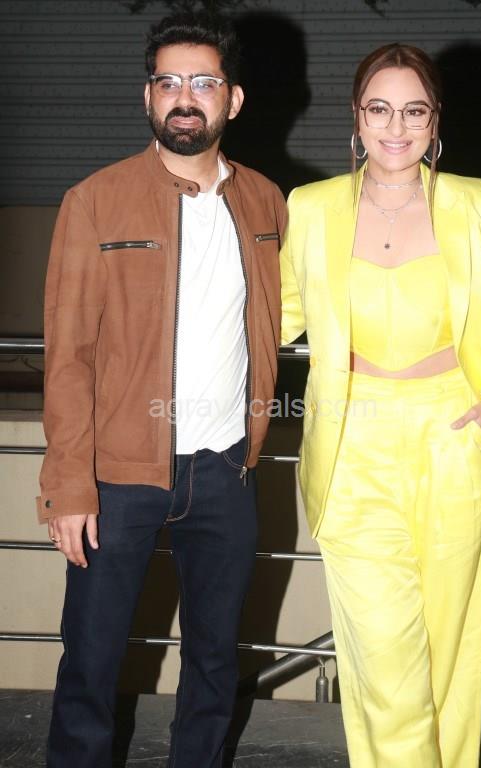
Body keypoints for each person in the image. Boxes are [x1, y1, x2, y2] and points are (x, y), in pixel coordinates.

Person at [280, 43, 481, 768]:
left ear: (434, 122)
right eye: (379, 109)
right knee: (387, 662)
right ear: (355, 117)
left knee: (449, 650)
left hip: (455, 433)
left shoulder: (480, 204)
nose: (395, 127)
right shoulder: (311, 208)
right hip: (352, 443)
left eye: (413, 111)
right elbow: (277, 317)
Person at [37, 11, 286, 768]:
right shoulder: (95, 200)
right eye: (168, 81)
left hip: (226, 468)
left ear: (232, 99)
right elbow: (68, 356)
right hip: (118, 474)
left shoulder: (267, 204)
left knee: (214, 663)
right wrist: (68, 485)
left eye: (203, 81)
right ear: (147, 96)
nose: (184, 96)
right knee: (91, 659)